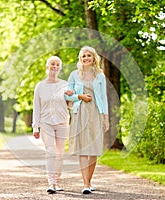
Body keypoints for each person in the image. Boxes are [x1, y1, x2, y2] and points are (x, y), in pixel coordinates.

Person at [65, 46, 109, 194]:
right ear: (80, 58)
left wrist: (106, 118)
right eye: (83, 56)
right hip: (80, 112)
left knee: (94, 150)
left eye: (89, 56)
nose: (86, 58)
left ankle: (89, 181)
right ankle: (85, 184)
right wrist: (79, 96)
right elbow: (66, 95)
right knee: (83, 149)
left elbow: (103, 97)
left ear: (94, 58)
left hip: (96, 112)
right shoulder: (74, 75)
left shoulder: (100, 76)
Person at [32, 56, 70, 194]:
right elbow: (36, 107)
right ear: (47, 66)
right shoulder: (40, 86)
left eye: (57, 64)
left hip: (62, 122)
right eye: (52, 64)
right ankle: (51, 183)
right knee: (50, 152)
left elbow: (71, 104)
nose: (55, 66)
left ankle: (57, 181)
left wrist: (70, 96)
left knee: (60, 153)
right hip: (46, 123)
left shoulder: (65, 84)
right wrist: (35, 127)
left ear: (60, 67)